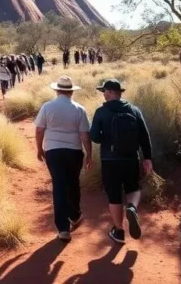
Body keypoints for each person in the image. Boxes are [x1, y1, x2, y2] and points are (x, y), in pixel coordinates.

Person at [90, 79, 154, 244]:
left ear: (110, 92)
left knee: (114, 195)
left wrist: (107, 136)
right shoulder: (134, 110)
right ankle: (132, 208)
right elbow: (144, 136)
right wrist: (147, 158)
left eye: (104, 91)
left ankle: (119, 232)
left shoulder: (101, 112)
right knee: (133, 189)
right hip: (131, 159)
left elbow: (95, 138)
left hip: (110, 160)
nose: (103, 94)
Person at [35, 76, 93, 242]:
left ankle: (63, 229)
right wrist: (89, 154)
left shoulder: (47, 107)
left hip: (53, 152)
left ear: (57, 90)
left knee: (59, 186)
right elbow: (84, 135)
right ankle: (74, 215)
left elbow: (39, 130)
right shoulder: (79, 109)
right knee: (73, 183)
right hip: (74, 151)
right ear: (71, 92)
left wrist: (40, 149)